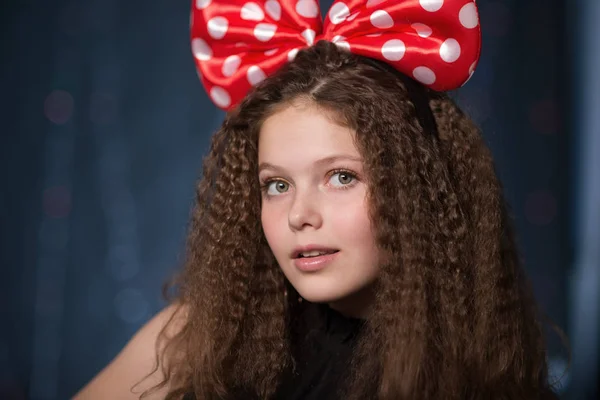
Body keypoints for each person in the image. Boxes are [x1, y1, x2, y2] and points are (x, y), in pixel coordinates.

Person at [74, 0, 562, 399]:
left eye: (341, 177)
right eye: (277, 185)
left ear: (416, 188)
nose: (299, 217)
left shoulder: (485, 377)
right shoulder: (190, 343)